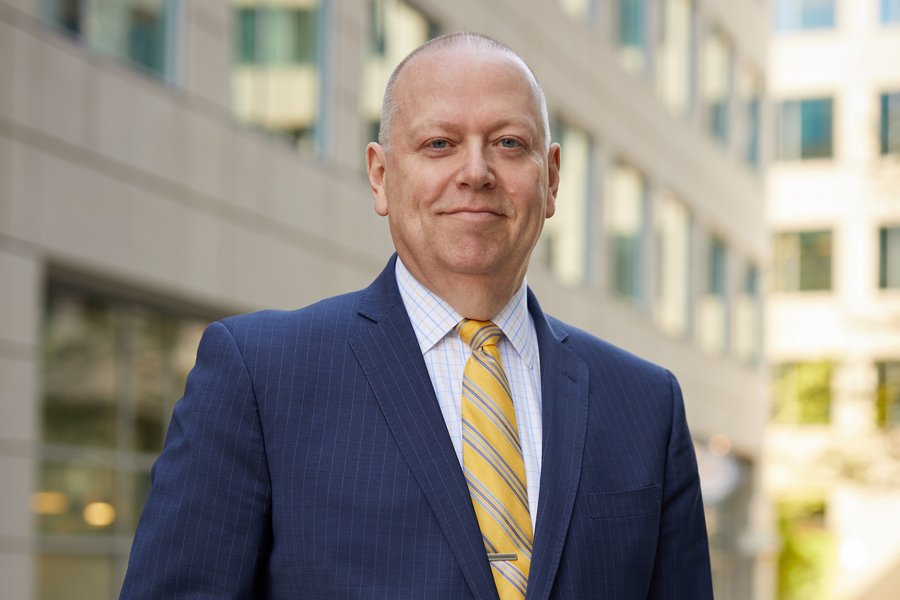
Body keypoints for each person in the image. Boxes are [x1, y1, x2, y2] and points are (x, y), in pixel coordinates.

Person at [120, 32, 712, 599]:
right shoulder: (260, 376)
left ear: (551, 178)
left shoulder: (646, 405)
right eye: (439, 144)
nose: (476, 172)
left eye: (508, 143)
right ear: (380, 176)